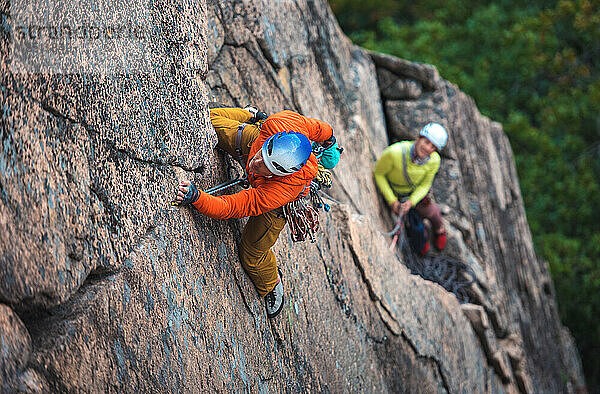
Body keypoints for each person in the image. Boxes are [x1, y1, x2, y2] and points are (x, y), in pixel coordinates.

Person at [173, 106, 340, 318]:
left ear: (278, 174)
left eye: (265, 166)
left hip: (277, 206)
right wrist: (329, 141)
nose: (256, 163)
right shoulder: (282, 123)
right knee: (209, 121)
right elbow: (321, 129)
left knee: (252, 253)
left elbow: (230, 207)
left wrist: (197, 197)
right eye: (263, 157)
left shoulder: (280, 190)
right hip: (257, 140)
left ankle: (271, 283)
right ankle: (250, 115)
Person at [373, 123, 448, 255]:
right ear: (418, 138)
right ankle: (422, 240)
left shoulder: (434, 160)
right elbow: (378, 173)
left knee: (434, 212)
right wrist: (392, 201)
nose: (427, 148)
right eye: (426, 142)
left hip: (413, 195)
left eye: (433, 147)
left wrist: (412, 201)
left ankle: (439, 230)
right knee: (414, 227)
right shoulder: (394, 153)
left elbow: (425, 184)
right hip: (396, 194)